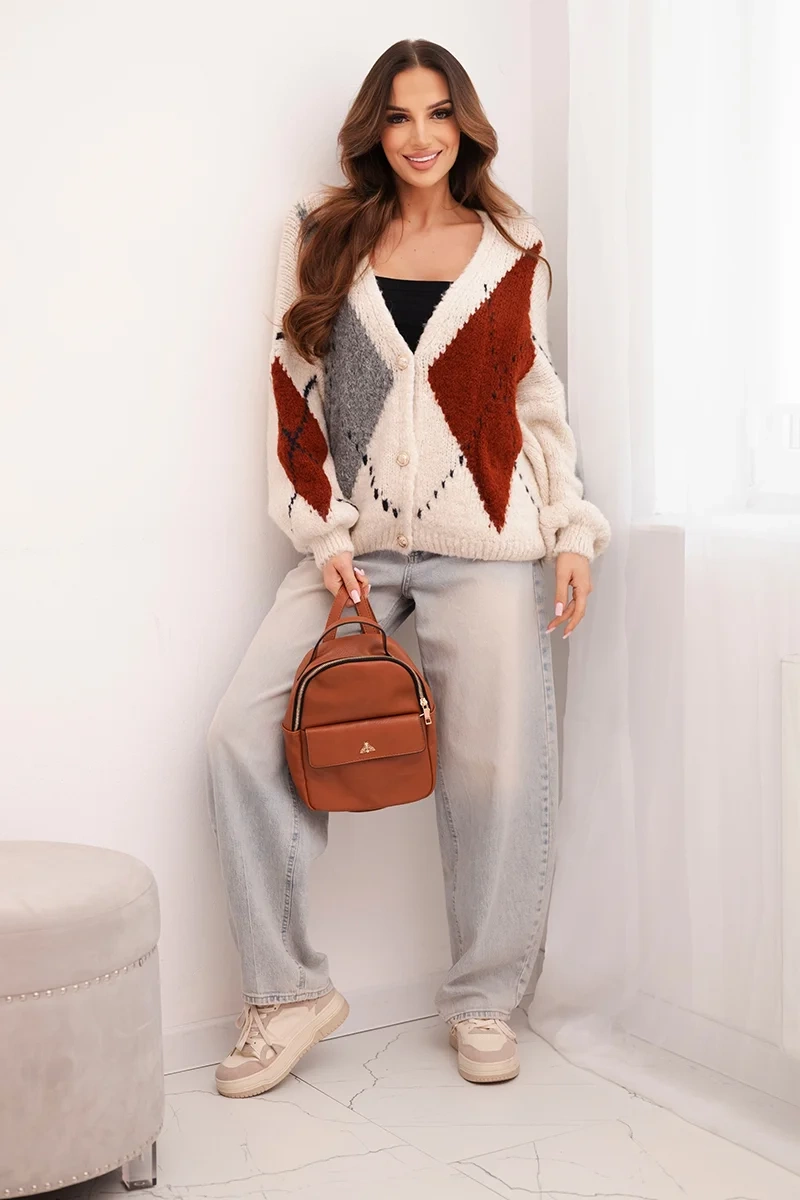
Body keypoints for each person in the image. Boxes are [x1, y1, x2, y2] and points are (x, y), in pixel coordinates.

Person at [206, 37, 610, 1098]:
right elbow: (290, 394)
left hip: (489, 542)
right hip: (355, 553)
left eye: (438, 114)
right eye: (398, 116)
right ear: (372, 131)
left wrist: (571, 529)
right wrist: (326, 537)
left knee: (496, 772)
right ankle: (287, 992)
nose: (420, 136)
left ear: (464, 125)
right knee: (242, 734)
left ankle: (484, 999)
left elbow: (534, 399)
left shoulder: (511, 243)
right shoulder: (322, 233)